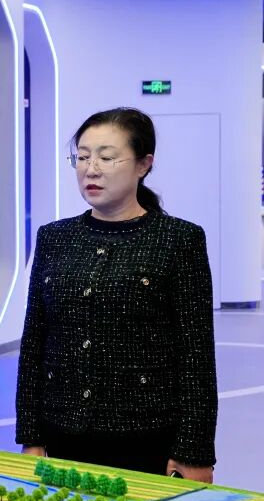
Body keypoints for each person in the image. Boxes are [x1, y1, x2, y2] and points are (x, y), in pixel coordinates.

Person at [16, 107, 217, 481]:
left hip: (146, 438)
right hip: (62, 434)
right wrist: (30, 436)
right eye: (82, 157)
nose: (91, 169)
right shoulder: (54, 238)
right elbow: (34, 344)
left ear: (143, 165)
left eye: (107, 158)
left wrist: (195, 450)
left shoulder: (178, 240)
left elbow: (196, 356)